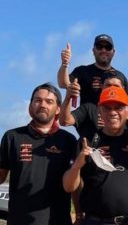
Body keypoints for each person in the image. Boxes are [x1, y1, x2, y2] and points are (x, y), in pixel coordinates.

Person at [63, 86, 128, 225]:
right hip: (96, 221)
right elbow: (68, 187)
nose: (112, 112)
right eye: (107, 107)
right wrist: (77, 166)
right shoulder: (87, 142)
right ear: (100, 112)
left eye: (119, 107)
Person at [0, 83, 77, 225]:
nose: (43, 105)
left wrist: (79, 213)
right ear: (30, 106)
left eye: (49, 101)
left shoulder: (69, 141)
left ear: (58, 109)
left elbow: (75, 184)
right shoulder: (12, 137)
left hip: (58, 221)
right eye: (37, 100)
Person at [57, 34, 128, 125]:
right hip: (89, 128)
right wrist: (65, 64)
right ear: (93, 50)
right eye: (99, 47)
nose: (103, 50)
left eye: (108, 47)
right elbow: (63, 84)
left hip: (115, 127)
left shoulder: (120, 76)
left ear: (113, 52)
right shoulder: (82, 71)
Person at [59, 70, 128, 140]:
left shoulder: (127, 111)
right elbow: (65, 121)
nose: (112, 89)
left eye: (116, 86)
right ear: (102, 86)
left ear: (123, 88)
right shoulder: (89, 108)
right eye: (108, 85)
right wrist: (68, 98)